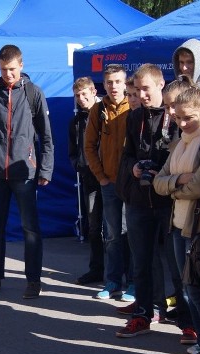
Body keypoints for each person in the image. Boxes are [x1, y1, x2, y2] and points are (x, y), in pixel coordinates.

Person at [0, 44, 54, 299]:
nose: (8, 74)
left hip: (25, 173)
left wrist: (46, 168)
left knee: (31, 229)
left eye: (13, 69)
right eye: (4, 69)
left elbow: (46, 136)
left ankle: (33, 281)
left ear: (21, 65)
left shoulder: (33, 93)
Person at [154, 84, 200, 354]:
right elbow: (159, 180)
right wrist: (176, 183)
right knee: (189, 291)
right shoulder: (181, 141)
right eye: (178, 117)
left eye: (189, 118)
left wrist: (174, 184)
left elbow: (198, 185)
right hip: (178, 224)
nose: (182, 123)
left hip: (199, 229)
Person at [116, 64, 178, 338]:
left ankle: (185, 317)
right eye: (137, 90)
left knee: (177, 263)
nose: (142, 95)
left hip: (169, 200)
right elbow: (127, 154)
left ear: (161, 85)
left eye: (146, 89)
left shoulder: (174, 116)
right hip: (140, 199)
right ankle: (143, 313)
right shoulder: (134, 117)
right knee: (141, 262)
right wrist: (134, 168)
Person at [84, 65, 132, 299]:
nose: (113, 86)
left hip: (132, 184)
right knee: (112, 234)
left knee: (131, 234)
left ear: (125, 83)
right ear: (104, 85)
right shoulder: (97, 110)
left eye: (117, 81)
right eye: (109, 82)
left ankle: (133, 283)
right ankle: (113, 281)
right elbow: (89, 146)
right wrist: (100, 176)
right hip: (109, 183)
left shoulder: (133, 107)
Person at [69, 76, 103, 285]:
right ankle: (97, 269)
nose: (81, 99)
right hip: (89, 179)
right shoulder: (76, 121)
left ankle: (124, 275)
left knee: (118, 229)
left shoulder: (106, 113)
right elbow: (73, 150)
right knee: (94, 226)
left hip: (110, 178)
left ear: (93, 91)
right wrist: (79, 165)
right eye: (77, 95)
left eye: (84, 94)